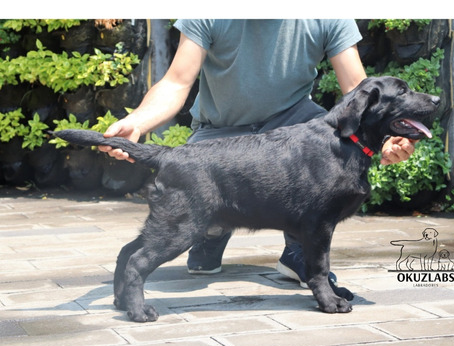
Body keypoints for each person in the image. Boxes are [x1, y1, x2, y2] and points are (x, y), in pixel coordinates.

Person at [99, 19, 417, 299]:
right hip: (224, 133)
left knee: (324, 158)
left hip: (291, 129)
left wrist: (388, 137)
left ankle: (298, 252)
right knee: (197, 200)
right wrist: (137, 122)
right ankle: (210, 232)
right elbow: (176, 82)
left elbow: (358, 92)